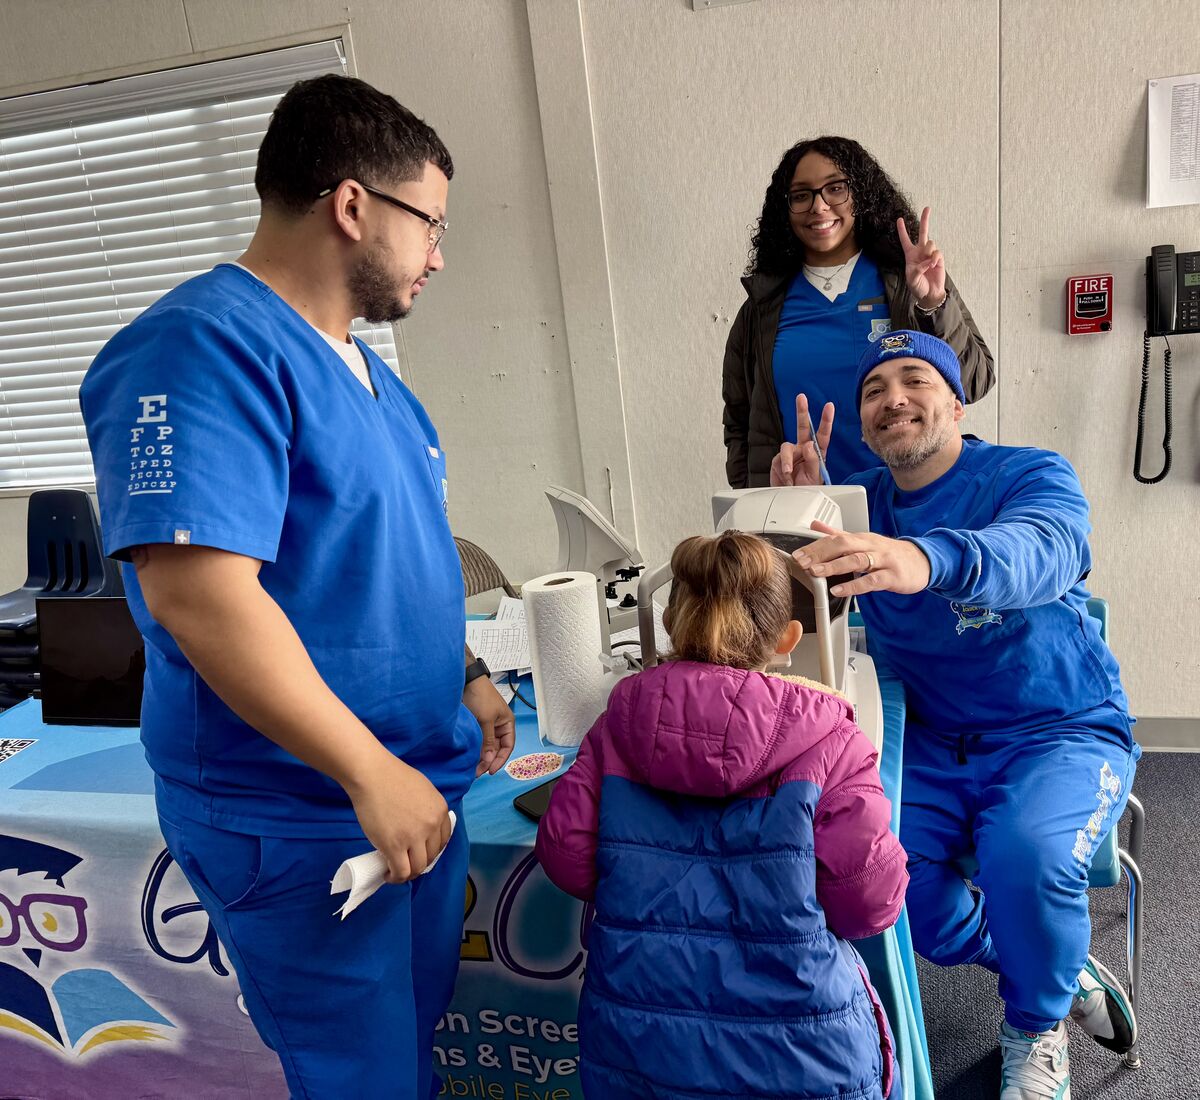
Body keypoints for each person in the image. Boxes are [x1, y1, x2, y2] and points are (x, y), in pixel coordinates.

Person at [79, 74, 515, 1099]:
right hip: (305, 810)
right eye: (431, 225)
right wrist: (367, 770)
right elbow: (200, 596)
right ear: (353, 204)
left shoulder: (372, 378)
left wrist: (465, 673)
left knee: (411, 1050)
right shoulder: (199, 349)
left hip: (410, 789)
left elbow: (387, 558)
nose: (438, 255)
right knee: (359, 1075)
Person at [771, 330, 1139, 1100]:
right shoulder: (857, 504)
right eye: (875, 390)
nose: (894, 399)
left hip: (1061, 730)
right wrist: (789, 512)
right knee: (872, 878)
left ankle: (1035, 1025)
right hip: (935, 740)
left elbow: (1044, 549)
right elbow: (784, 614)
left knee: (1026, 860)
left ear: (957, 403)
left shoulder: (1029, 472)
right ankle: (1046, 963)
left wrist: (925, 559)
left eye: (915, 379)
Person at [535, 530, 908, 1099]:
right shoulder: (832, 741)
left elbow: (567, 859)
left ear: (669, 626)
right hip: (800, 1055)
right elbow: (869, 904)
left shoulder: (614, 728)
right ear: (788, 638)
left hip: (642, 1047)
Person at [723, 135, 994, 488]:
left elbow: (974, 382)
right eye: (801, 195)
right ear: (784, 209)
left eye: (835, 189)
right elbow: (739, 420)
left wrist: (932, 304)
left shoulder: (907, 281)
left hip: (902, 502)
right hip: (801, 504)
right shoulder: (763, 307)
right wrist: (753, 497)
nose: (819, 206)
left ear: (861, 195)